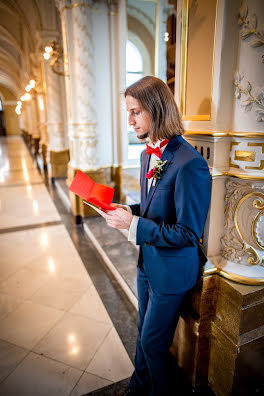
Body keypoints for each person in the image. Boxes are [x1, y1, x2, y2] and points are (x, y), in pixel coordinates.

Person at [102, 76, 211, 396]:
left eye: (135, 111)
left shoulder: (190, 163)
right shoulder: (147, 154)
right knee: (142, 332)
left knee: (152, 344)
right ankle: (138, 388)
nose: (130, 120)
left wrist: (132, 225)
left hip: (173, 271)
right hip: (146, 262)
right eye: (128, 112)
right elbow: (155, 207)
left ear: (156, 109)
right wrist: (130, 210)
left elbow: (188, 233)